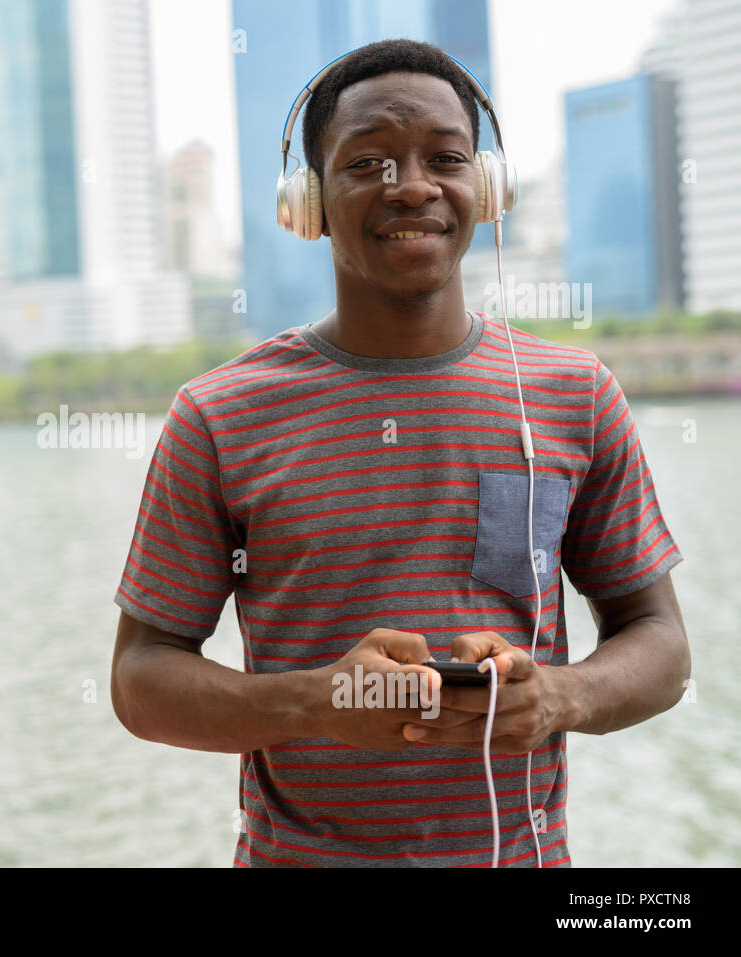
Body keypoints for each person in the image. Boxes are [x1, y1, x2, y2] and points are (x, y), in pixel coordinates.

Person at [109, 39, 689, 867]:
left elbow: (661, 641)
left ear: (486, 190)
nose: (411, 185)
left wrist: (561, 694)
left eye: (446, 157)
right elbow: (140, 679)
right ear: (307, 202)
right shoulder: (218, 416)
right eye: (370, 161)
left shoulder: (574, 393)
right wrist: (320, 700)